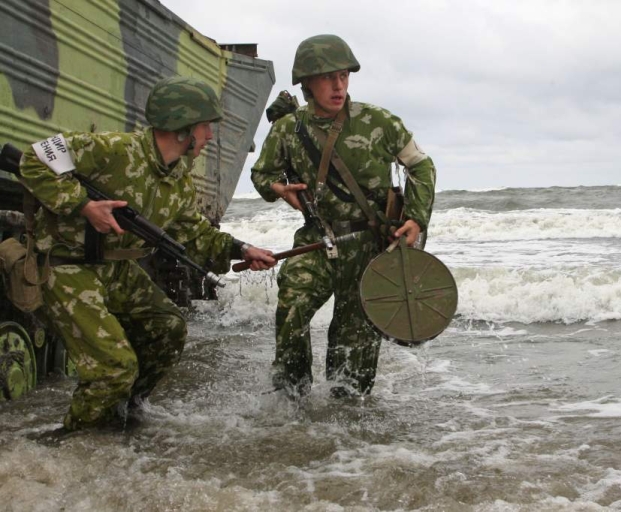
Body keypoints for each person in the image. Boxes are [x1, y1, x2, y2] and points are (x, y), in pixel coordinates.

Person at [17, 76, 276, 432]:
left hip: (115, 268)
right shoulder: (113, 149)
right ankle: (75, 437)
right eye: (205, 127)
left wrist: (242, 249)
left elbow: (193, 232)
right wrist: (83, 205)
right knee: (114, 367)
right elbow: (34, 157)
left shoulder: (178, 177)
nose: (210, 137)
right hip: (67, 266)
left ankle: (123, 410)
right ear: (183, 128)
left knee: (168, 327)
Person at [251, 34, 436, 397]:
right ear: (306, 82)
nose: (338, 86)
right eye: (327, 78)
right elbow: (261, 174)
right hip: (317, 241)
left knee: (355, 343)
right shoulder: (288, 130)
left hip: (370, 247)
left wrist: (416, 219)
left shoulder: (379, 122)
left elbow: (421, 166)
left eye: (344, 76)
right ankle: (292, 400)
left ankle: (347, 419)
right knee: (292, 308)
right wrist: (277, 189)